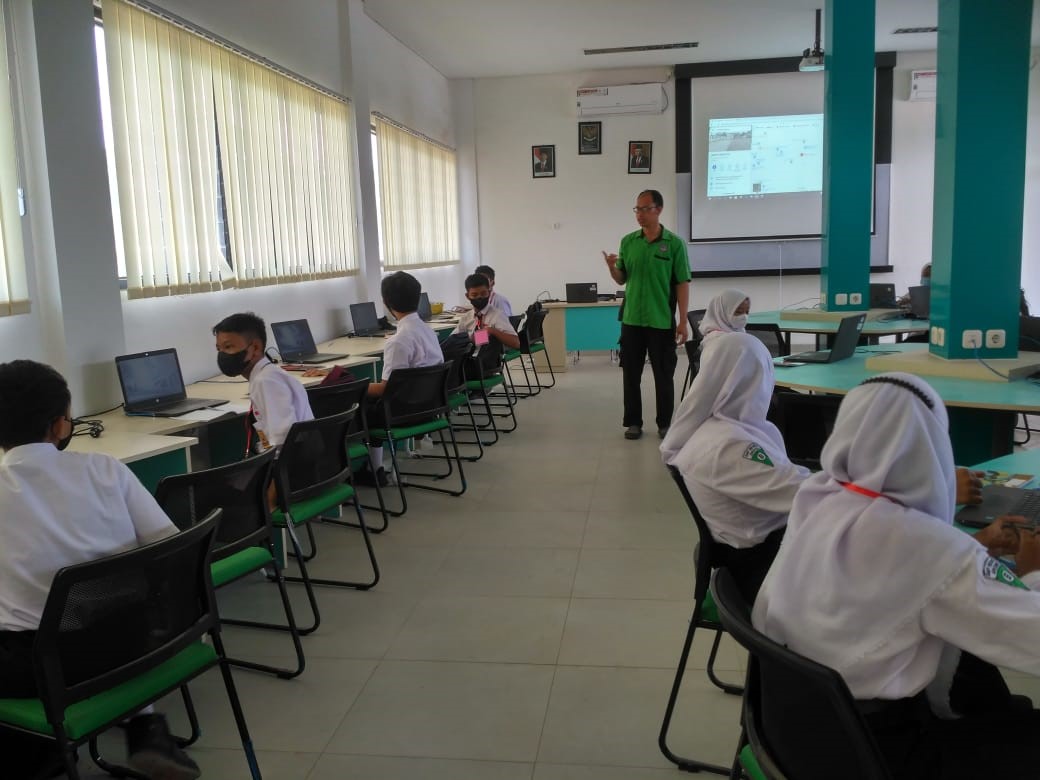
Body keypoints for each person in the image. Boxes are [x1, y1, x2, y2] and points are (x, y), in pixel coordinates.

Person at [753, 372, 1040, 779]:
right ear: (933, 447)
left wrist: (973, 547)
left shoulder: (817, 497)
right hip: (885, 755)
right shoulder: (932, 551)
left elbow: (899, 561)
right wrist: (1033, 572)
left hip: (800, 733)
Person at [0, 360, 199, 780]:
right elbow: (170, 546)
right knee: (93, 612)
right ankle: (146, 728)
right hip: (135, 643)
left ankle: (39, 753)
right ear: (60, 426)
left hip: (43, 669)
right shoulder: (107, 469)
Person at [661, 332, 808, 603]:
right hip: (762, 569)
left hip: (756, 553)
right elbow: (804, 495)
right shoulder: (730, 446)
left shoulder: (717, 428)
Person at [603, 189, 691, 440]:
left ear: (658, 209)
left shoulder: (674, 244)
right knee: (631, 374)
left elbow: (682, 283)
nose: (639, 214)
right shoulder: (628, 242)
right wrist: (611, 268)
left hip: (660, 320)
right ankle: (633, 422)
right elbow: (622, 279)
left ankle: (665, 423)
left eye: (645, 209)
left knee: (664, 375)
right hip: (631, 320)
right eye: (637, 209)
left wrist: (683, 321)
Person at [362, 271, 444, 486]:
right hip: (429, 408)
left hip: (403, 414)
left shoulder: (398, 341)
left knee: (358, 407)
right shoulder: (428, 332)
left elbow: (385, 390)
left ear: (386, 302)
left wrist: (356, 386)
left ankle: (374, 469)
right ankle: (373, 467)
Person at [213, 312, 313, 454]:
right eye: (219, 349)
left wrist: (267, 471)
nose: (222, 354)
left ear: (255, 347)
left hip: (291, 465)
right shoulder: (267, 375)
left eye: (228, 347)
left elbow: (282, 441)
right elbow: (268, 433)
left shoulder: (266, 382)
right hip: (296, 460)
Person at [452, 273, 520, 351]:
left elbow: (516, 343)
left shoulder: (497, 315)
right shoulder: (466, 318)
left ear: (489, 292)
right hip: (467, 359)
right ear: (467, 296)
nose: (479, 297)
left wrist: (493, 331)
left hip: (486, 360)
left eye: (483, 294)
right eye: (474, 295)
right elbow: (453, 340)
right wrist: (472, 339)